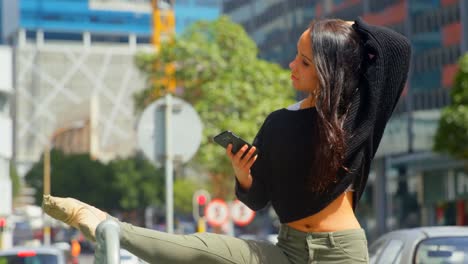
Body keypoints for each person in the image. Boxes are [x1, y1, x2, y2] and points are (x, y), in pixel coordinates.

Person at [42, 16, 411, 264]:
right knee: (202, 250)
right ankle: (106, 224)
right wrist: (244, 175)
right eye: (296, 57)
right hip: (287, 250)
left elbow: (397, 50)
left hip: (342, 253)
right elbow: (260, 198)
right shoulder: (279, 122)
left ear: (330, 70)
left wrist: (341, 29)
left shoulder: (355, 119)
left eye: (304, 62)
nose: (291, 66)